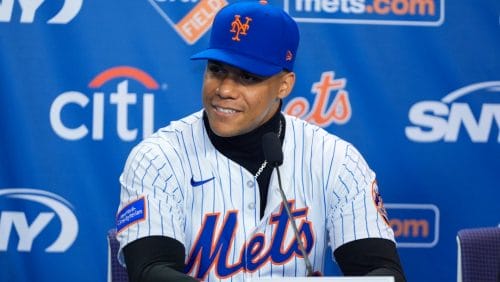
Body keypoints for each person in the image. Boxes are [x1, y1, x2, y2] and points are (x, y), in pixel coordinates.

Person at [115, 1, 406, 281]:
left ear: (284, 84)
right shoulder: (158, 157)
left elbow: (381, 272)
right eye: (217, 70)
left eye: (247, 77)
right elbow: (150, 270)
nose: (225, 89)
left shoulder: (334, 159)